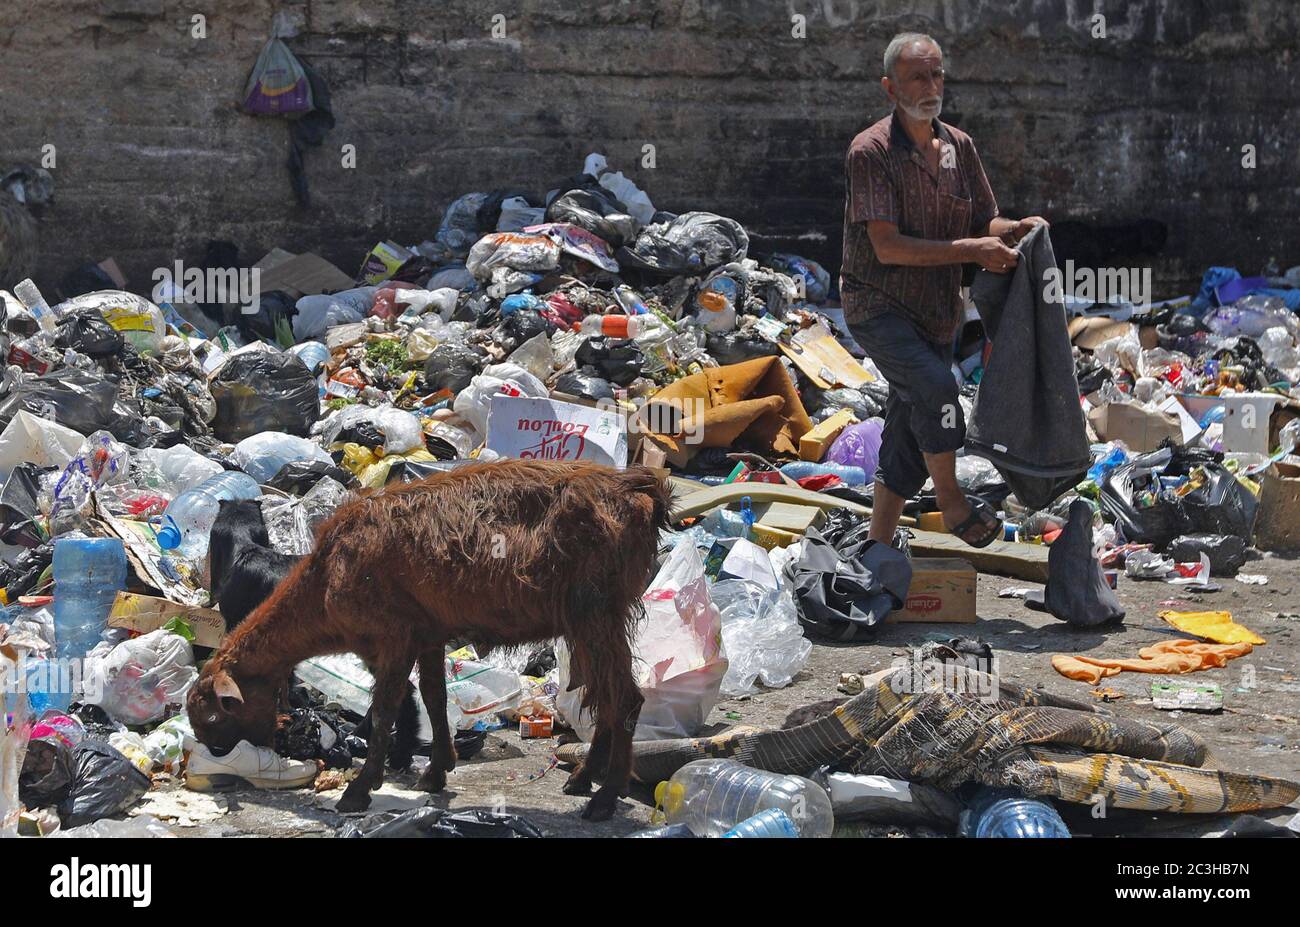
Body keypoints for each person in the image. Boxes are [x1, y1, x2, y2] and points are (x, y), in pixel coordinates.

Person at [841, 32, 1048, 548]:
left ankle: (878, 547)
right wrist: (973, 250)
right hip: (878, 305)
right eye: (917, 77)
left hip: (936, 313)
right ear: (891, 87)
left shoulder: (959, 147)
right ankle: (952, 500)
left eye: (937, 75)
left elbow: (986, 220)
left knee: (910, 427)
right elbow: (887, 247)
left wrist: (1015, 229)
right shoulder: (871, 152)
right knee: (936, 388)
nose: (931, 86)